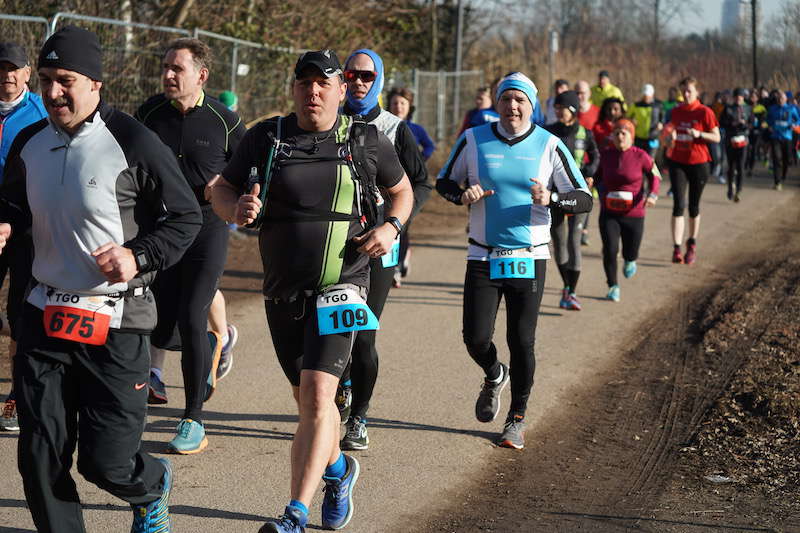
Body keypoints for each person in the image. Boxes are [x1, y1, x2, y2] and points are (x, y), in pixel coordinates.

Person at [0, 25, 202, 533]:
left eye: (64, 80)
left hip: (116, 320)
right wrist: (5, 221)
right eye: (45, 80)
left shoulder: (133, 141)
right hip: (45, 315)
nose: (52, 92)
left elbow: (185, 217)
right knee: (40, 456)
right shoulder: (29, 142)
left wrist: (137, 256)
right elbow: (15, 204)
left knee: (105, 462)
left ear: (95, 83)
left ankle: (151, 485)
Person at [212, 49, 413, 533]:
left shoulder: (363, 139)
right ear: (295, 90)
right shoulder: (268, 136)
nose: (313, 91)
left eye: (324, 83)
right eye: (304, 83)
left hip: (344, 285)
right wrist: (234, 209)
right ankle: (340, 470)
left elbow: (402, 191)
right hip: (283, 291)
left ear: (342, 91)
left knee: (321, 397)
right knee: (307, 404)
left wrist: (391, 228)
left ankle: (294, 514)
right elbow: (219, 188)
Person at [436, 72, 592, 449]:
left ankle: (516, 419)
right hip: (483, 254)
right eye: (506, 99)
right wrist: (463, 195)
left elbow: (584, 198)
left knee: (522, 340)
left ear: (531, 105)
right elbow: (443, 182)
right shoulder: (474, 139)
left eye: (520, 100)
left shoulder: (549, 144)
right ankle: (494, 373)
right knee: (475, 338)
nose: (512, 106)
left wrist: (552, 200)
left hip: (529, 256)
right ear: (497, 103)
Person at [136, 38, 246, 454]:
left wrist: (236, 191)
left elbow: (252, 167)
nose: (167, 75)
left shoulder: (225, 120)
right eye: (164, 67)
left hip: (206, 227)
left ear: (200, 75)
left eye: (176, 69)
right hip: (161, 228)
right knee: (161, 321)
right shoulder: (149, 113)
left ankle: (193, 419)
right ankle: (213, 347)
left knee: (192, 311)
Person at [338, 49, 430, 449]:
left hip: (379, 246)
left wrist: (395, 225)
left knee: (363, 334)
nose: (359, 81)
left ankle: (359, 416)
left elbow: (422, 183)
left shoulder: (396, 128)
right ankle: (340, 382)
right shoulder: (329, 119)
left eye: (367, 75)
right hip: (336, 245)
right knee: (331, 329)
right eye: (352, 74)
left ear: (378, 79)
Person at [0, 41, 46, 432]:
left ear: (27, 73)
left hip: (27, 223)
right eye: (1, 69)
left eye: (14, 69)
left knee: (20, 313)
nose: (7, 76)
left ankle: (15, 396)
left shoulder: (42, 113)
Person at [594, 119, 661, 301]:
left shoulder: (641, 156)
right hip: (609, 213)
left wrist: (653, 194)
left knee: (630, 252)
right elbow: (597, 176)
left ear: (631, 136)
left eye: (624, 133)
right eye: (616, 133)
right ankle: (613, 286)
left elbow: (655, 176)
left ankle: (630, 259)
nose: (620, 136)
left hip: (634, 213)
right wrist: (594, 186)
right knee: (610, 248)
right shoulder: (606, 154)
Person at [545, 90, 599, 310]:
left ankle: (572, 291)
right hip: (555, 195)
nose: (558, 111)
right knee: (558, 244)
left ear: (573, 110)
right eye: (556, 107)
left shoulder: (585, 133)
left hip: (578, 194)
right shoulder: (548, 132)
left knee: (574, 242)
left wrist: (589, 172)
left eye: (562, 108)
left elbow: (595, 155)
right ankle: (567, 286)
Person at [665, 76, 720, 265]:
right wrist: (669, 137)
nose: (686, 94)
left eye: (689, 91)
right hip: (677, 161)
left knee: (694, 206)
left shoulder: (705, 112)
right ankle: (676, 248)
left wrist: (699, 134)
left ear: (696, 92)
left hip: (699, 162)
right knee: (679, 204)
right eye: (683, 91)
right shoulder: (675, 112)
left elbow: (717, 137)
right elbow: (668, 133)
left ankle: (692, 244)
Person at [387, 86, 435, 288]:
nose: (398, 107)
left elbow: (430, 146)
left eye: (402, 104)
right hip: (387, 184)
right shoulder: (384, 126)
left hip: (409, 185)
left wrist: (419, 161)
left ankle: (396, 267)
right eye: (395, 103)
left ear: (409, 107)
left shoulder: (414, 130)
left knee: (402, 227)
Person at [719, 88, 753, 202]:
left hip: (743, 140)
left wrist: (746, 125)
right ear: (733, 98)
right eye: (737, 97)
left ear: (743, 98)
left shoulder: (748, 108)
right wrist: (732, 123)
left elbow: (752, 123)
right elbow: (721, 122)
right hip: (731, 140)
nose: (738, 99)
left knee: (740, 166)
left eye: (741, 97)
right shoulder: (728, 109)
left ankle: (738, 190)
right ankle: (730, 188)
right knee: (731, 166)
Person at [766, 90, 800, 190]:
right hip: (775, 136)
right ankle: (777, 182)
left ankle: (783, 175)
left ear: (786, 99)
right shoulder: (772, 109)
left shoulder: (791, 108)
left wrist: (794, 125)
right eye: (779, 98)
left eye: (782, 98)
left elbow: (798, 119)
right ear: (777, 99)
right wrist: (770, 125)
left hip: (787, 137)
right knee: (777, 158)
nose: (780, 100)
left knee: (786, 159)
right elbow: (768, 119)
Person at [627, 83, 663, 157]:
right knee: (638, 158)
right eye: (645, 95)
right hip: (639, 138)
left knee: (650, 159)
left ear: (652, 94)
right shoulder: (636, 105)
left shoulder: (658, 105)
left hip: (653, 138)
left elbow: (663, 117)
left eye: (648, 96)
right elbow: (627, 117)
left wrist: (661, 124)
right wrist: (631, 121)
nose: (646, 97)